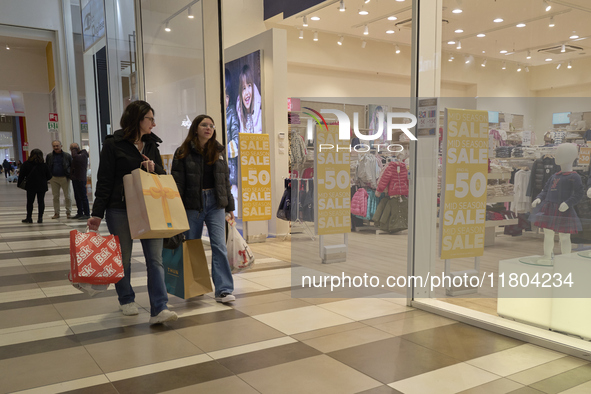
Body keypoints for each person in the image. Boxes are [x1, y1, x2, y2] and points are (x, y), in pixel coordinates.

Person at [87, 100, 177, 325]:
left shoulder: (151, 145)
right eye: (150, 119)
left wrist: (153, 168)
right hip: (120, 209)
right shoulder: (113, 144)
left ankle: (160, 307)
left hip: (150, 208)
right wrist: (97, 213)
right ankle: (126, 298)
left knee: (155, 260)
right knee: (123, 259)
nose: (153, 124)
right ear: (138, 119)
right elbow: (105, 180)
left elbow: (163, 175)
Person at [172, 114, 236, 303]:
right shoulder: (183, 151)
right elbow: (177, 183)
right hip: (193, 204)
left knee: (219, 246)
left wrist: (229, 206)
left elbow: (225, 181)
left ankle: (223, 289)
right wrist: (177, 207)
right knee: (192, 245)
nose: (208, 128)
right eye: (204, 125)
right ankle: (195, 286)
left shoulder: (218, 151)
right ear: (195, 128)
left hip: (215, 204)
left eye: (211, 125)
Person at [18, 149, 52, 223]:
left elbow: (21, 175)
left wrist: (20, 183)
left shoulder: (26, 164)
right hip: (42, 186)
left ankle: (29, 217)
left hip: (30, 186)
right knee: (41, 202)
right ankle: (40, 218)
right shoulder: (44, 165)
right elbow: (49, 176)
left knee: (30, 202)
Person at [46, 140, 73, 219]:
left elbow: (71, 166)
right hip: (54, 178)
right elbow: (47, 166)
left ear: (61, 146)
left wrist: (70, 175)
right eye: (54, 146)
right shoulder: (49, 156)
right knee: (55, 196)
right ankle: (56, 213)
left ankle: (68, 212)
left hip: (65, 177)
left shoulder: (67, 156)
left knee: (67, 196)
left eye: (57, 146)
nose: (55, 147)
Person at [236, 64, 262, 134]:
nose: (247, 92)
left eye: (249, 86)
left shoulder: (261, 116)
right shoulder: (238, 117)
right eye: (244, 88)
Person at [69, 143, 90, 220]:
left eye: (73, 149)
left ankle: (87, 213)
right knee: (77, 196)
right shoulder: (78, 155)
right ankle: (80, 212)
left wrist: (74, 149)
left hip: (81, 178)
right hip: (75, 178)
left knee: (83, 196)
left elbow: (75, 157)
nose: (72, 151)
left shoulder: (83, 154)